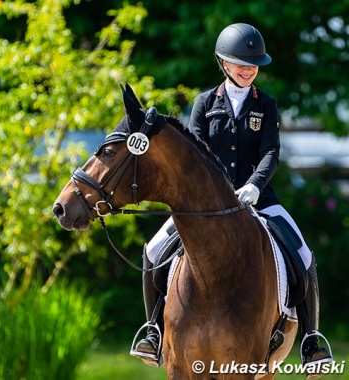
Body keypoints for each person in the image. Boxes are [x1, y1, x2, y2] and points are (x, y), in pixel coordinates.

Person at [130, 23, 333, 377]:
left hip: (260, 199)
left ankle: (311, 339)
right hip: (207, 205)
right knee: (152, 250)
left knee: (302, 254)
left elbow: (271, 152)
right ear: (223, 63)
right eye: (241, 63)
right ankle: (153, 330)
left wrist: (254, 185)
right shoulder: (204, 103)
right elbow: (194, 157)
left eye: (254, 64)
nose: (248, 69)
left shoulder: (265, 105)